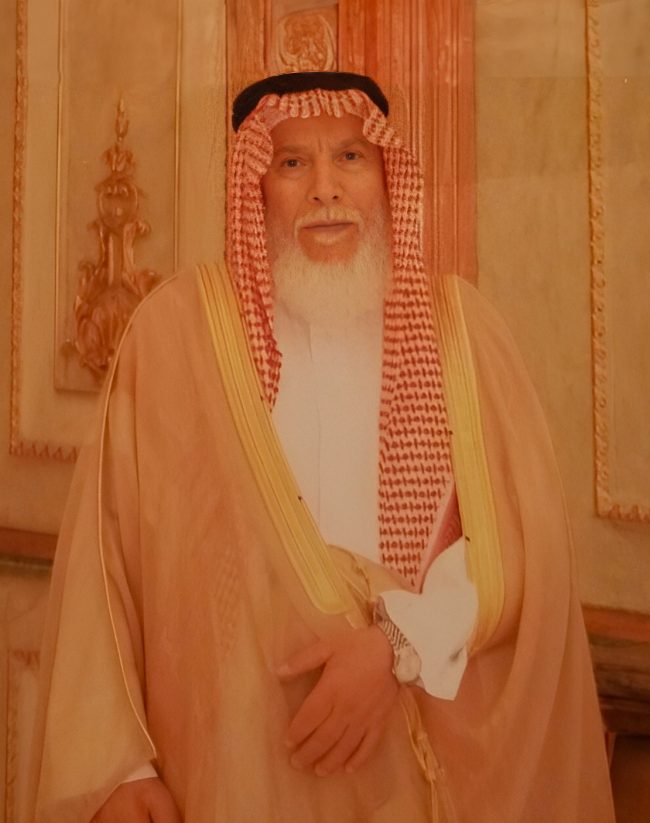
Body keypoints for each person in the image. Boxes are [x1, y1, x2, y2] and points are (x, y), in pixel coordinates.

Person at [25, 72, 615, 822]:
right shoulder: (177, 333)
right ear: (256, 186)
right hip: (232, 761)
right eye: (293, 162)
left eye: (350, 158)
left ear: (386, 176)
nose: (325, 189)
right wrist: (125, 769)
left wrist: (395, 647)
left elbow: (523, 546)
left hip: (413, 758)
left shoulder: (460, 331)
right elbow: (107, 561)